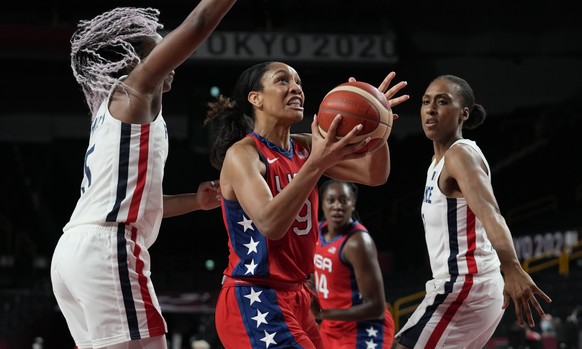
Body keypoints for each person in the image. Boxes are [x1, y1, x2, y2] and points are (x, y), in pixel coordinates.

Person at [50, 1, 236, 348]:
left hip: (76, 251)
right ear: (136, 60)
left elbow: (134, 201)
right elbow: (197, 23)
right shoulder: (135, 91)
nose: (170, 56)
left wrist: (194, 201)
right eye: (159, 47)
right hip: (107, 248)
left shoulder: (110, 111)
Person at [203, 61, 409, 349]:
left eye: (298, 81)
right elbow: (271, 224)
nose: (296, 88)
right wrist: (316, 164)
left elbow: (374, 174)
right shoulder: (243, 155)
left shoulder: (304, 147)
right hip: (254, 297)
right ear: (256, 98)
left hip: (297, 295)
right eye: (282, 80)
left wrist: (377, 123)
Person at [393, 75, 552, 349]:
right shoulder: (437, 162)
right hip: (467, 286)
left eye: (442, 102)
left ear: (463, 113)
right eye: (426, 102)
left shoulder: (460, 155)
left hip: (467, 285)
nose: (430, 109)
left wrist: (512, 268)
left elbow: (491, 212)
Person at [312, 179, 395, 348]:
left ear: (353, 204)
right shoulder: (317, 232)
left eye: (343, 201)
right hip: (332, 326)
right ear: (322, 204)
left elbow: (377, 308)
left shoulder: (357, 242)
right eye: (331, 200)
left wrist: (322, 314)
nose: (337, 206)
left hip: (363, 328)